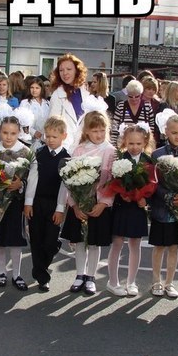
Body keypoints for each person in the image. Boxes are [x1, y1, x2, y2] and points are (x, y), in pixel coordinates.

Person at [61, 106, 116, 295]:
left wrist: (104, 203)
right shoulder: (79, 150)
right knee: (80, 241)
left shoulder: (110, 151)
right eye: (94, 130)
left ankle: (91, 276)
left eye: (102, 130)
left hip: (98, 203)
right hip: (80, 202)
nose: (99, 134)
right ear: (86, 131)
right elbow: (69, 179)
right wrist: (75, 205)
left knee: (93, 242)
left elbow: (112, 181)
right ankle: (79, 274)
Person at [0, 116, 32, 291]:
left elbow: (32, 178)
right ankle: (2, 272)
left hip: (16, 202)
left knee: (15, 239)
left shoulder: (26, 152)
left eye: (13, 133)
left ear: (19, 133)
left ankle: (16, 274)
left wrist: (21, 184)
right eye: (5, 133)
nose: (8, 137)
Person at [149, 113, 178, 298]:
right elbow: (153, 182)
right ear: (166, 131)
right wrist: (168, 195)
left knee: (174, 247)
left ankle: (169, 282)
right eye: (174, 132)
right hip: (162, 208)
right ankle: (156, 281)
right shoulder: (157, 154)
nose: (177, 136)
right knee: (159, 246)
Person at [106, 123, 155, 297]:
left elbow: (153, 184)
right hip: (122, 206)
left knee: (135, 244)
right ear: (124, 142)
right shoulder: (119, 159)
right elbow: (112, 182)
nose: (134, 147)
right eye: (131, 143)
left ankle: (131, 282)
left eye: (138, 143)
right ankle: (113, 281)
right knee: (117, 243)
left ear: (145, 142)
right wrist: (122, 194)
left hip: (137, 208)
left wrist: (145, 199)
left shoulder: (149, 161)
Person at [24, 116, 69, 292]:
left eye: (54, 137)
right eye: (47, 136)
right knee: (36, 239)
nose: (50, 140)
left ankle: (52, 249)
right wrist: (28, 203)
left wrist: (60, 209)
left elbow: (64, 186)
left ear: (64, 136)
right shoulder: (38, 153)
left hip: (54, 204)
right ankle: (42, 276)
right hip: (37, 202)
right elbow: (32, 179)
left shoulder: (67, 158)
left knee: (50, 242)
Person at [48, 53, 90, 150]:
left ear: (77, 71)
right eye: (61, 70)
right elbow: (52, 125)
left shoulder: (86, 92)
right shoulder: (57, 95)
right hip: (65, 147)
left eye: (69, 69)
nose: (65, 73)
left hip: (85, 146)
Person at [110, 80, 155, 146]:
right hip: (123, 144)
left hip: (142, 145)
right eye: (130, 96)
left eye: (137, 96)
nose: (134, 99)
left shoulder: (147, 106)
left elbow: (151, 128)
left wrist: (149, 145)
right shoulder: (121, 106)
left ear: (140, 94)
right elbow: (114, 127)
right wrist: (114, 145)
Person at [19, 77, 50, 148]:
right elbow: (21, 122)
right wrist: (33, 132)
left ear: (41, 89)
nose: (34, 90)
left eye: (37, 88)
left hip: (44, 139)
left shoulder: (48, 103)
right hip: (28, 140)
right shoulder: (25, 103)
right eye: (32, 88)